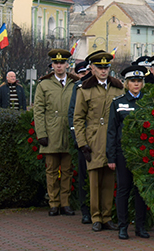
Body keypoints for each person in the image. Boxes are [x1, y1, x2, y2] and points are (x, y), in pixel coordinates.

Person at [73, 52, 123, 232]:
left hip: (111, 140)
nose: (103, 71)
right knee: (94, 180)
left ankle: (107, 216)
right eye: (100, 67)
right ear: (92, 69)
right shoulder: (84, 89)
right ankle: (96, 217)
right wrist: (82, 143)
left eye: (106, 67)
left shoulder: (118, 88)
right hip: (93, 139)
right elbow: (78, 118)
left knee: (109, 180)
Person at [106, 65, 149, 240]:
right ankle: (123, 227)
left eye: (139, 81)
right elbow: (112, 131)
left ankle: (140, 227)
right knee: (123, 190)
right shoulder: (118, 103)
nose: (136, 84)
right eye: (133, 81)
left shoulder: (148, 102)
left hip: (143, 156)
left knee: (141, 192)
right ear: (126, 83)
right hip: (123, 154)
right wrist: (111, 157)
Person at [33, 49, 78, 217]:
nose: (59, 66)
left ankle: (65, 203)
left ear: (67, 65)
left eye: (62, 63)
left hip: (68, 132)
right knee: (51, 171)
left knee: (67, 170)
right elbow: (38, 111)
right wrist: (41, 134)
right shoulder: (44, 85)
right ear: (52, 65)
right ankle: (53, 203)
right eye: (56, 63)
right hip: (51, 133)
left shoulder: (75, 84)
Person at [68, 57, 93, 224]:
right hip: (85, 141)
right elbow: (73, 115)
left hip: (102, 140)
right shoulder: (79, 87)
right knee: (84, 177)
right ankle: (85, 210)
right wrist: (79, 140)